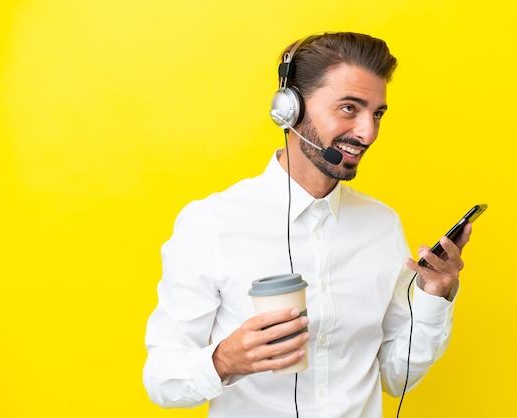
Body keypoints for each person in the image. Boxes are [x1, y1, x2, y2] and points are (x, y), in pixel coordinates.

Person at [143, 32, 472, 417]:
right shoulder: (212, 223)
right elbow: (161, 380)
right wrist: (224, 360)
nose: (368, 132)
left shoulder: (382, 225)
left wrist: (434, 296)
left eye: (377, 113)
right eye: (349, 108)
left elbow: (395, 378)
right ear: (290, 110)